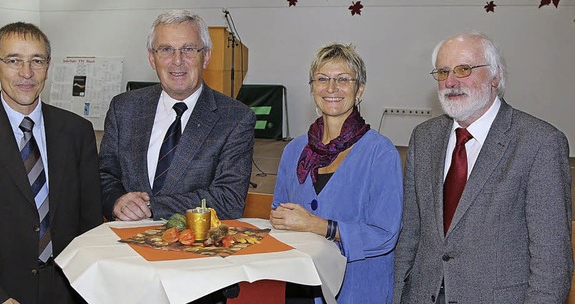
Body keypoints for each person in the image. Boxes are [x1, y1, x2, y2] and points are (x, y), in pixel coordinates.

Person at [393, 32, 573, 304]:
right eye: (443, 72)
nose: (450, 82)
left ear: (495, 77)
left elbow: (552, 259)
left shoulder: (540, 143)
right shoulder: (424, 138)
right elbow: (409, 235)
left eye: (464, 69)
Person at [0, 22, 102, 303]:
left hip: (68, 289)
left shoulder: (77, 131)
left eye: (36, 61)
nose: (26, 73)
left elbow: (90, 221)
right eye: (13, 61)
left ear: (48, 66)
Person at [270, 43, 403, 303]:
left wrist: (318, 226)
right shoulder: (294, 150)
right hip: (302, 286)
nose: (331, 88)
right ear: (312, 88)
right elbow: (279, 212)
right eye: (322, 79)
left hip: (358, 289)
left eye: (343, 80)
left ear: (360, 89)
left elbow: (385, 235)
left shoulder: (381, 153)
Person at [99, 9, 255, 222]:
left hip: (195, 248)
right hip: (124, 246)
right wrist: (117, 201)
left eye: (188, 49)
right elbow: (104, 175)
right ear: (152, 58)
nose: (177, 60)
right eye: (166, 50)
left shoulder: (235, 118)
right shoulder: (124, 108)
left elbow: (228, 200)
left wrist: (150, 207)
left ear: (206, 56)